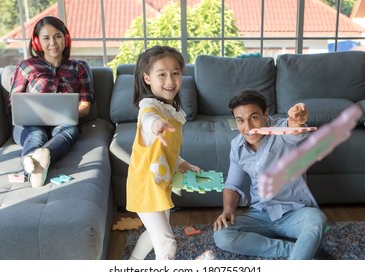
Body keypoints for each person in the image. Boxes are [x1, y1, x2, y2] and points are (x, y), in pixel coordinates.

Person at [213, 89, 328, 260]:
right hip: (259, 214)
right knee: (222, 235)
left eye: (254, 117)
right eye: (240, 120)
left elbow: (294, 132)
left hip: (294, 212)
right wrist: (228, 210)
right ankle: (295, 251)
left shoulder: (281, 129)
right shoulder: (237, 146)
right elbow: (233, 185)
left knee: (317, 221)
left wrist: (296, 121)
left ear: (266, 114)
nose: (248, 127)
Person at [126, 45, 201, 260]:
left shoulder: (172, 110)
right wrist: (156, 124)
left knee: (155, 234)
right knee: (167, 244)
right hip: (145, 188)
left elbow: (163, 151)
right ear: (147, 78)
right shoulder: (150, 107)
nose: (170, 80)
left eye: (175, 73)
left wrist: (182, 163)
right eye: (162, 74)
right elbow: (148, 117)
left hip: (158, 186)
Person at [10, 16, 94, 188]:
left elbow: (85, 106)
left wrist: (65, 114)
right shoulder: (26, 67)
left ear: (66, 39)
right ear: (37, 42)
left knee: (70, 130)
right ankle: (33, 168)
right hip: (28, 125)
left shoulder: (79, 68)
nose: (53, 43)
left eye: (57, 36)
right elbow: (14, 102)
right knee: (36, 135)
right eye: (46, 38)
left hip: (63, 124)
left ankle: (42, 155)